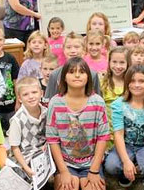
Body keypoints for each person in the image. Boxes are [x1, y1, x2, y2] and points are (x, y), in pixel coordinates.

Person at [46, 57, 109, 190]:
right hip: (66, 163)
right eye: (72, 71)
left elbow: (103, 137)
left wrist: (94, 170)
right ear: (63, 77)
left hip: (91, 162)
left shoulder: (97, 102)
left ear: (88, 77)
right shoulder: (55, 103)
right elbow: (52, 139)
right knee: (70, 186)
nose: (77, 75)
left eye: (82, 71)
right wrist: (63, 171)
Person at [8, 77, 47, 177]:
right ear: (20, 98)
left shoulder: (47, 113)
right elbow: (15, 148)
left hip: (44, 153)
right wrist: (26, 168)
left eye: (34, 92)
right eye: (26, 94)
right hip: (25, 159)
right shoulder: (17, 120)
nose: (31, 97)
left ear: (41, 93)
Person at [44, 32, 101, 100]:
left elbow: (98, 101)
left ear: (84, 50)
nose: (73, 51)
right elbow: (48, 101)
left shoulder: (92, 75)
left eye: (76, 47)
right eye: (69, 47)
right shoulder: (54, 75)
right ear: (64, 50)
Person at [100, 47, 129, 150]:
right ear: (109, 62)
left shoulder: (131, 83)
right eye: (114, 62)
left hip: (125, 132)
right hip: (106, 131)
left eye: (122, 62)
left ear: (128, 63)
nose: (118, 66)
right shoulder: (102, 82)